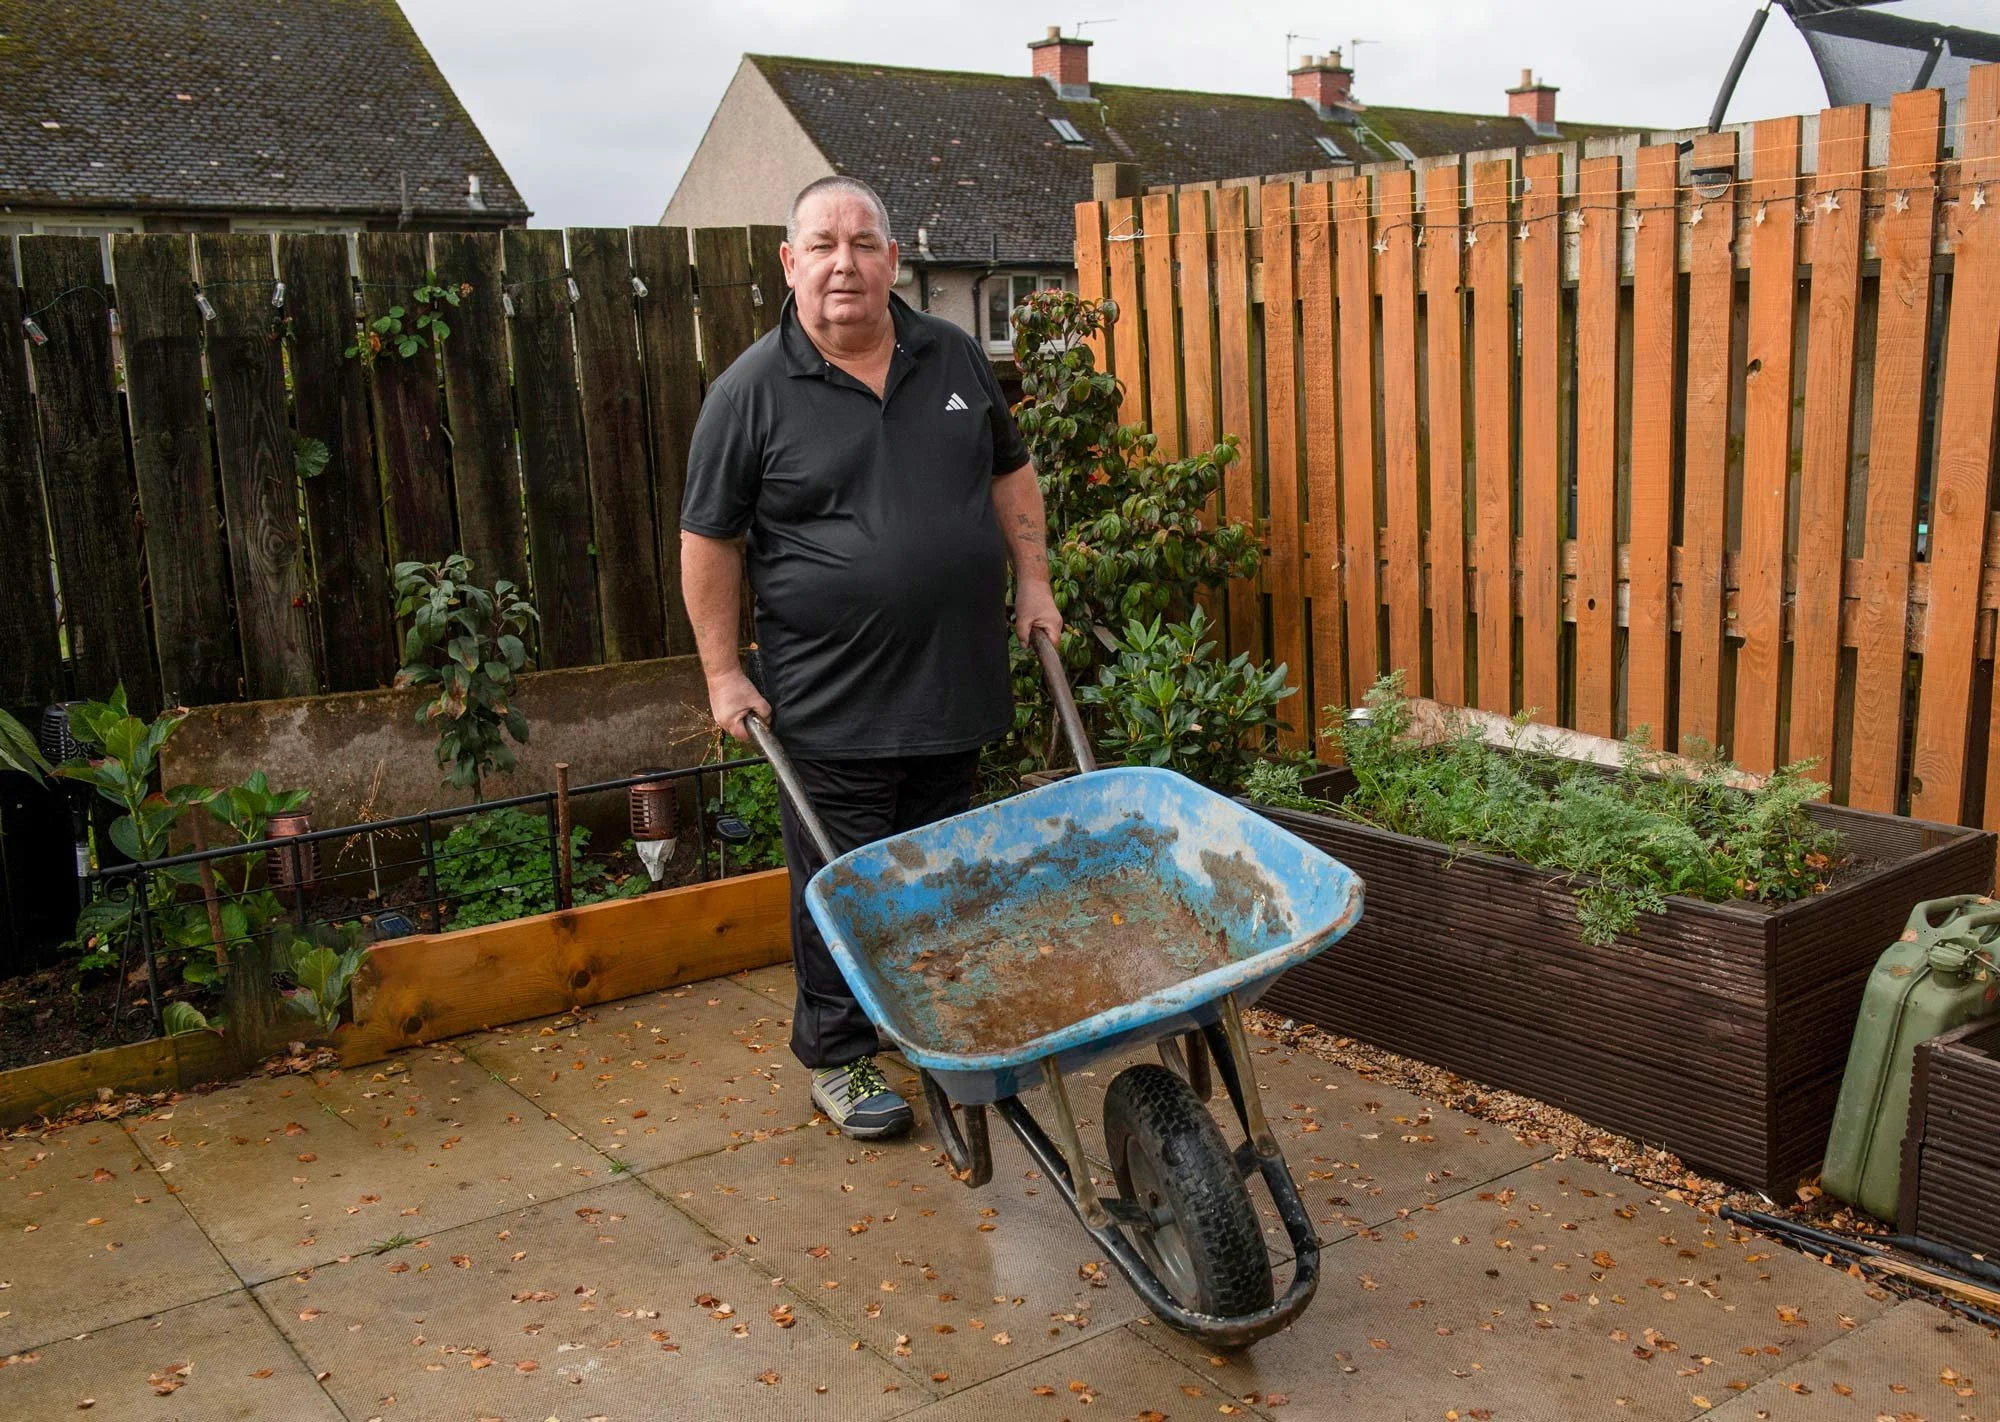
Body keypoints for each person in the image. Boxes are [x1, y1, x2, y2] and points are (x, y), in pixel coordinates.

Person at [679, 175, 1061, 1139]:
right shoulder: (748, 393)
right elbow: (709, 540)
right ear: (790, 263)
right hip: (830, 698)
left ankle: (935, 1025)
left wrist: (1035, 583)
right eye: (822, 245)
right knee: (840, 884)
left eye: (862, 244)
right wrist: (723, 673)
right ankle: (840, 1055)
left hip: (954, 680)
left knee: (938, 873)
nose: (842, 263)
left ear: (893, 259)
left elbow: (1010, 471)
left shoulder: (953, 355)